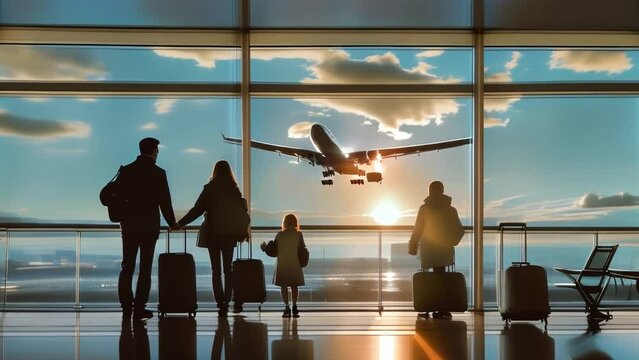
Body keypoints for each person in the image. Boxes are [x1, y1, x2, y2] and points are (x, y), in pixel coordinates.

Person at [117, 137, 180, 320]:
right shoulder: (158, 173)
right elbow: (165, 202)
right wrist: (172, 223)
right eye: (157, 150)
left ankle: (126, 306)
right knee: (145, 268)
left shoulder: (127, 170)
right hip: (149, 227)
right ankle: (139, 307)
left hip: (129, 226)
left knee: (127, 266)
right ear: (154, 151)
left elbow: (118, 196)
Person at [177, 160, 247, 316]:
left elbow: (196, 210)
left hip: (213, 233)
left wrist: (180, 224)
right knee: (228, 270)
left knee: (216, 270)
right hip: (229, 234)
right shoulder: (234, 189)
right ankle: (227, 301)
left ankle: (220, 302)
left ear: (214, 171)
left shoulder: (210, 189)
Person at [408, 180, 464, 319]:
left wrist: (413, 244)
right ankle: (443, 307)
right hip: (445, 249)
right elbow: (459, 230)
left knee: (428, 277)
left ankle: (427, 305)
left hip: (428, 248)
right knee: (442, 277)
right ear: (442, 191)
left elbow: (418, 228)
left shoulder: (424, 209)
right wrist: (452, 241)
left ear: (430, 191)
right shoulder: (451, 210)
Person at [260, 213, 306, 318]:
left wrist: (265, 248)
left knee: (283, 286)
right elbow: (302, 249)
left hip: (283, 264)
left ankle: (286, 307)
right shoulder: (299, 235)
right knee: (294, 286)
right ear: (295, 223)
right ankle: (295, 306)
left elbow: (274, 251)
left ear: (284, 223)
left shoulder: (280, 235)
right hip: (294, 263)